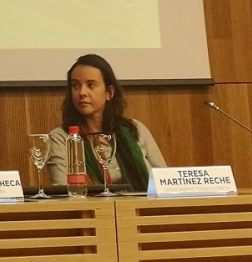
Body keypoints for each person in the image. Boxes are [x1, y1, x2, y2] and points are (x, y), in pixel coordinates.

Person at [47, 54, 165, 192]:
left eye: (90, 85)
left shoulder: (135, 129)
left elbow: (165, 182)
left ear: (109, 92)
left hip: (142, 209)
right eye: (75, 85)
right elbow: (64, 191)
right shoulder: (61, 138)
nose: (82, 92)